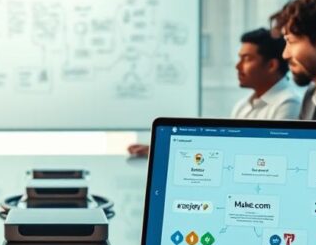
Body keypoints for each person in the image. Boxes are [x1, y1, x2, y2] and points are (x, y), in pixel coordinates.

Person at [128, 28, 300, 157]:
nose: (237, 66)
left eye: (246, 59)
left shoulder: (288, 104)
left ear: (271, 65)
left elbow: (267, 158)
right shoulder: (243, 106)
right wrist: (162, 150)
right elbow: (224, 148)